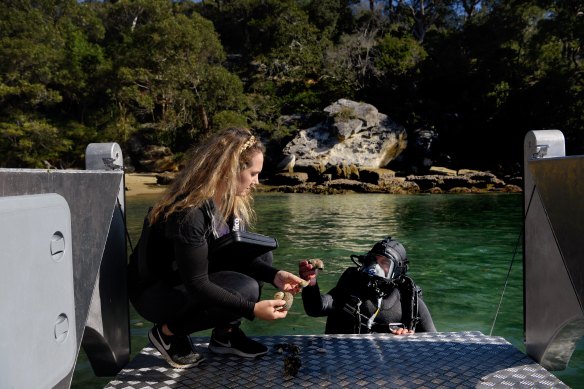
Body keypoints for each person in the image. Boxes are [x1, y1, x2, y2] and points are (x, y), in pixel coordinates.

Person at [127, 127, 305, 369]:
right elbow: (198, 284)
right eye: (253, 174)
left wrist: (274, 275)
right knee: (246, 288)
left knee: (261, 254)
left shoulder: (228, 203)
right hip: (155, 293)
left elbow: (232, 256)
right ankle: (168, 334)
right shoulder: (189, 213)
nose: (257, 182)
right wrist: (251, 309)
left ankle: (225, 335)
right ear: (229, 170)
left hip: (182, 279)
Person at [299, 237, 436, 335]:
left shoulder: (408, 299)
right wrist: (310, 283)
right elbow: (315, 308)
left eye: (384, 263)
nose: (375, 267)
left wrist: (408, 339)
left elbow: (434, 344)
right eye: (372, 260)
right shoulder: (351, 289)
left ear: (398, 271)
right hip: (344, 360)